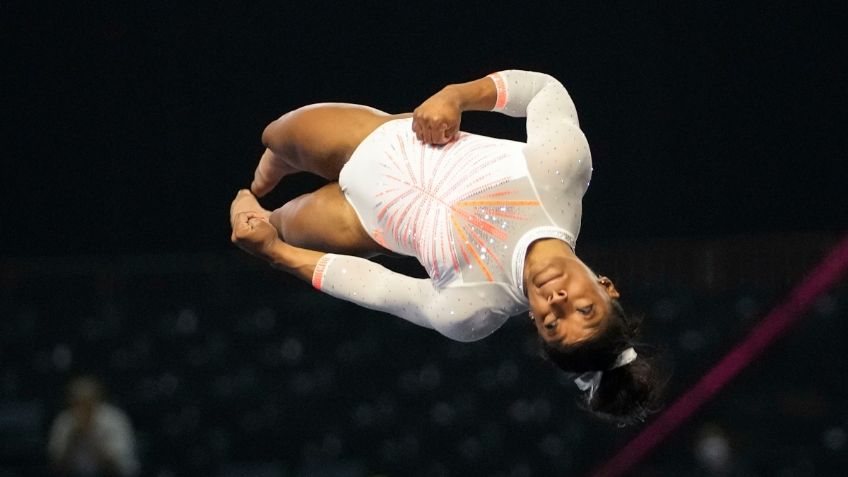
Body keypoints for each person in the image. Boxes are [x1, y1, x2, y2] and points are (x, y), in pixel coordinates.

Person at [230, 69, 666, 425]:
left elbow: (378, 287)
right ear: (607, 287)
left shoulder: (473, 311)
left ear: (536, 323)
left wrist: (275, 252)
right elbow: (543, 91)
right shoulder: (561, 174)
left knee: (275, 224)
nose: (557, 302)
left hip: (356, 221)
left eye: (553, 324)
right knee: (274, 136)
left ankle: (261, 198)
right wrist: (457, 96)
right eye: (583, 310)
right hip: (379, 137)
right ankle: (278, 164)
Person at [47, 376, 140, 477]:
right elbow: (57, 467)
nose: (82, 407)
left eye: (87, 402)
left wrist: (89, 435)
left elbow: (118, 466)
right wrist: (74, 438)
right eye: (77, 402)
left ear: (98, 398)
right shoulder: (64, 421)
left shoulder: (115, 419)